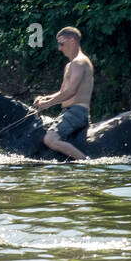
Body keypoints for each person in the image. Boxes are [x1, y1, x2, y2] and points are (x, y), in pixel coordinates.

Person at [34, 27, 94, 161]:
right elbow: (62, 92)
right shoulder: (70, 65)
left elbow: (72, 91)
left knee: (50, 139)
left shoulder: (79, 62)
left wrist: (47, 104)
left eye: (62, 44)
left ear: (72, 41)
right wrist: (45, 98)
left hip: (77, 111)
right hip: (68, 111)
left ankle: (85, 162)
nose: (59, 48)